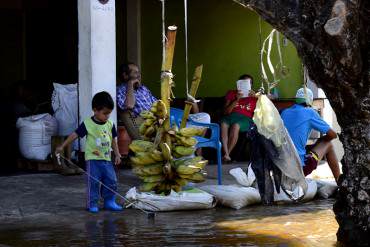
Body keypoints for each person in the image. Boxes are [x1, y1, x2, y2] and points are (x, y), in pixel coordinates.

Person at [57, 91, 123, 213]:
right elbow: (74, 135)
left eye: (109, 113)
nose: (107, 116)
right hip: (93, 160)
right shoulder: (88, 124)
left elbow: (113, 140)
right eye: (105, 113)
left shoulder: (110, 124)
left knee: (111, 180)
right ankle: (92, 203)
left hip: (107, 159)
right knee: (93, 182)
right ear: (95, 110)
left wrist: (117, 154)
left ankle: (109, 201)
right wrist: (63, 145)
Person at [116, 63, 210, 139]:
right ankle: (187, 141)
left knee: (205, 117)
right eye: (135, 72)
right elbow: (129, 105)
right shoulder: (120, 90)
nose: (139, 75)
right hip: (153, 126)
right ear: (125, 75)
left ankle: (188, 141)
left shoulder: (143, 89)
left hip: (165, 119)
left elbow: (160, 104)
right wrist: (130, 84)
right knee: (189, 130)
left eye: (139, 72)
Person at [281, 87, 341, 183]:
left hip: (282, 167)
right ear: (310, 101)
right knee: (329, 144)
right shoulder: (310, 112)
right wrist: (321, 140)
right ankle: (339, 182)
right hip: (300, 168)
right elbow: (333, 135)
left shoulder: (284, 112)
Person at [221, 74, 257, 162]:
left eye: (249, 83)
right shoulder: (232, 93)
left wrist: (256, 96)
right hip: (230, 116)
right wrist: (236, 99)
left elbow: (272, 97)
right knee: (223, 124)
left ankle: (227, 154)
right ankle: (225, 153)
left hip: (245, 119)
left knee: (236, 125)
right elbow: (226, 112)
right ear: (238, 84)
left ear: (251, 85)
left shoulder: (254, 96)